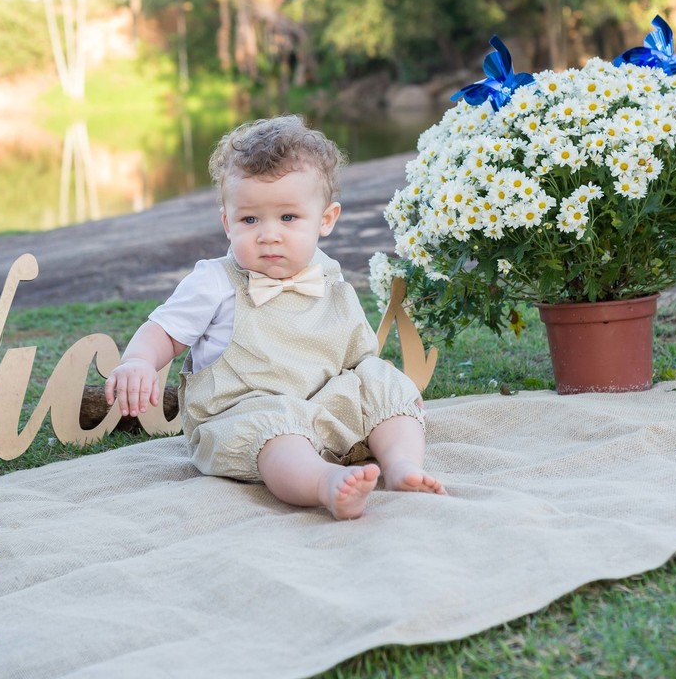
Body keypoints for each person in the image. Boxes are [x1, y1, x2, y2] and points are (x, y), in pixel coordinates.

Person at [105, 115, 445, 519]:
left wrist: (376, 390)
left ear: (326, 219)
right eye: (250, 219)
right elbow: (164, 331)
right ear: (227, 222)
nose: (269, 234)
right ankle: (324, 484)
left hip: (324, 406)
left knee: (383, 382)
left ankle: (403, 464)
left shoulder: (329, 276)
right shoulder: (215, 282)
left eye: (288, 218)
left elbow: (357, 356)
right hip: (245, 416)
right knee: (276, 429)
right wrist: (139, 361)